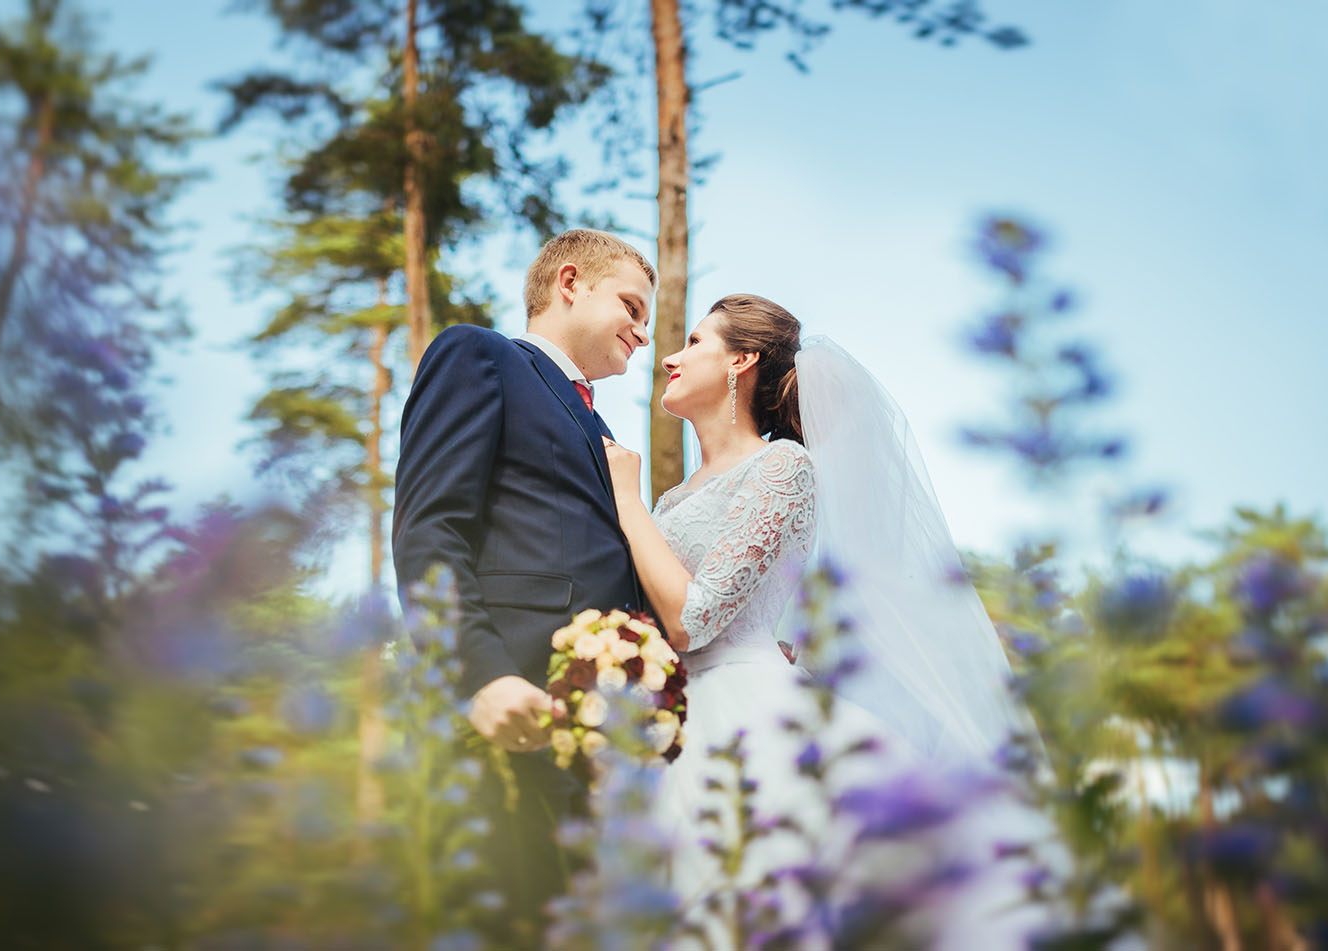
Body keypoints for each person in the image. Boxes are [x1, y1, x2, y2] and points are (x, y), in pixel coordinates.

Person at [603, 294, 1038, 948]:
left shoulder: (784, 465)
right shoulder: (671, 498)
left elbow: (694, 618)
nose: (670, 354)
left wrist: (626, 505)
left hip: (746, 716)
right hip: (670, 721)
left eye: (693, 341)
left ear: (740, 360)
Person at [392, 229, 655, 940]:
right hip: (505, 709)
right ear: (571, 282)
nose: (643, 330)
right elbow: (431, 528)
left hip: (587, 750)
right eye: (632, 306)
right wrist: (479, 674)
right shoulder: (480, 355)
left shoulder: (600, 425)